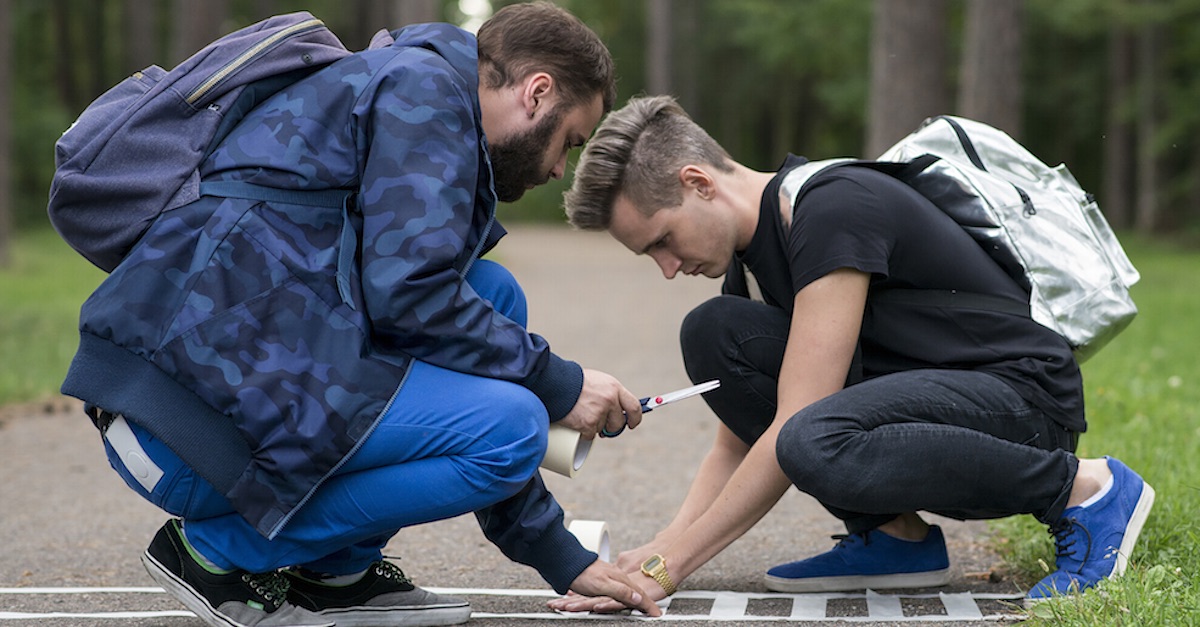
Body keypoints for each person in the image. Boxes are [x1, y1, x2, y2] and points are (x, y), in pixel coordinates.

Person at [60, 4, 663, 626]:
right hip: (182, 432)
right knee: (509, 431)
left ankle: (333, 572)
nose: (561, 167)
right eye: (569, 141)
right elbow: (410, 298)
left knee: (492, 295)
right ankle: (215, 556)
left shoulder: (410, 81)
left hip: (210, 396)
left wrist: (562, 557)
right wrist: (560, 383)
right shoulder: (424, 92)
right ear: (537, 93)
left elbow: (419, 297)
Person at [553, 95, 1155, 609]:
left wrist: (669, 569)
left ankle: (1088, 491)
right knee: (712, 332)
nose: (666, 268)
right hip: (931, 407)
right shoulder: (750, 267)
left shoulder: (831, 207)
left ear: (698, 181)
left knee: (811, 438)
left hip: (1019, 405)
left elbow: (796, 424)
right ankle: (895, 538)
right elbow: (736, 443)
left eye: (662, 240)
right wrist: (659, 548)